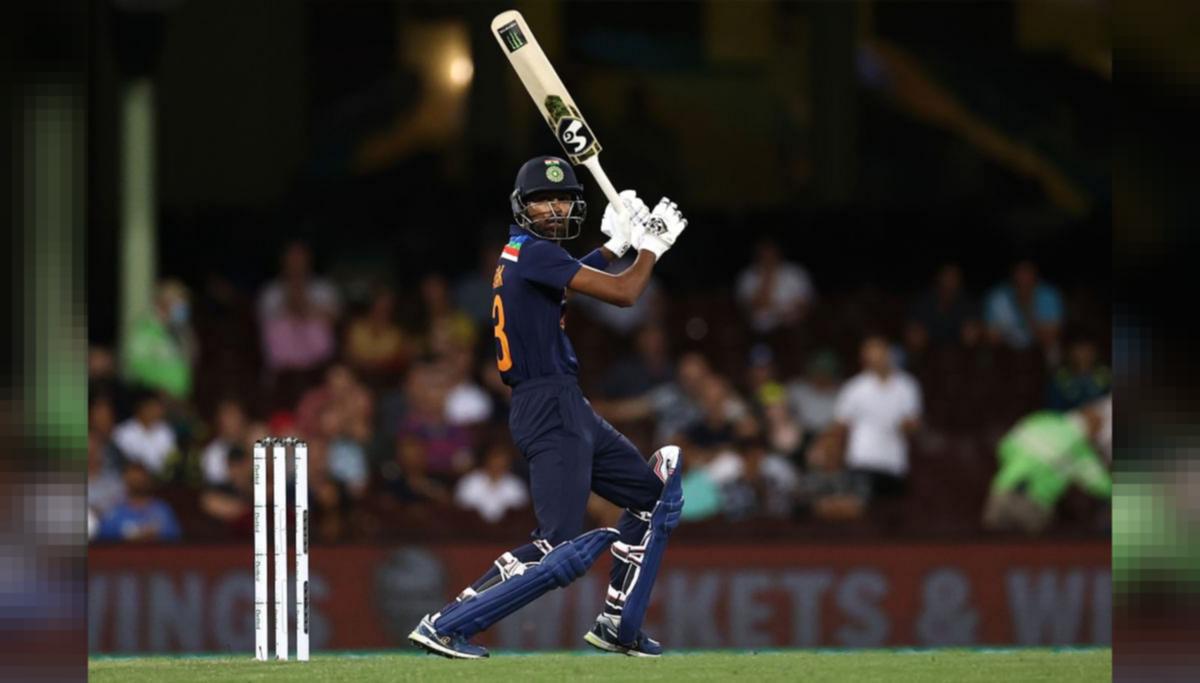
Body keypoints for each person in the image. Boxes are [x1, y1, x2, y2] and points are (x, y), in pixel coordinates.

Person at [408, 155, 689, 659]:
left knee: (654, 500)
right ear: (522, 207)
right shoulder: (533, 252)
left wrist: (616, 246)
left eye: (563, 199)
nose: (555, 208)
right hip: (548, 406)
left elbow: (569, 283)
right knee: (556, 548)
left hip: (566, 403)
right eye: (543, 201)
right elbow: (625, 293)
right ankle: (446, 624)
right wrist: (652, 246)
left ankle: (619, 625)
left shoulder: (527, 254)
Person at [809, 335, 922, 517]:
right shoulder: (854, 388)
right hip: (861, 462)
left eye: (879, 354)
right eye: (870, 355)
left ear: (888, 354)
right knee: (854, 500)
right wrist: (822, 447)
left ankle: (825, 507)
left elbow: (913, 425)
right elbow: (839, 426)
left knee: (871, 508)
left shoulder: (907, 386)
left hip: (893, 465)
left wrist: (907, 425)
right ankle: (820, 508)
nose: (875, 359)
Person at [983, 395, 1112, 534]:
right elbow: (1103, 486)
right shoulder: (1080, 451)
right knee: (1030, 547)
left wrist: (1014, 469)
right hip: (1035, 504)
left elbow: (1004, 446)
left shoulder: (1042, 420)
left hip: (1003, 491)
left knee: (990, 543)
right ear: (1093, 431)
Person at [123, 279, 197, 399]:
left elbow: (189, 360)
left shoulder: (180, 330)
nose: (183, 307)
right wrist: (159, 390)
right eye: (179, 303)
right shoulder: (145, 329)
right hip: (155, 398)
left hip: (179, 396)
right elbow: (137, 365)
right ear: (164, 303)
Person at [735, 239, 816, 334]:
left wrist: (781, 314)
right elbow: (751, 305)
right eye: (763, 253)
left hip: (793, 326)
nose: (767, 256)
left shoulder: (795, 272)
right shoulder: (748, 276)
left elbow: (805, 303)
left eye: (771, 252)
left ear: (779, 253)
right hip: (759, 329)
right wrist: (767, 279)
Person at [95, 463, 182, 543]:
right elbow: (103, 536)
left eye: (140, 480)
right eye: (133, 480)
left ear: (148, 481)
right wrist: (129, 536)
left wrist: (155, 535)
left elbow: (175, 534)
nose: (137, 483)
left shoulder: (162, 509)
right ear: (126, 481)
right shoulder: (114, 511)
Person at [453, 444, 529, 523]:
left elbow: (521, 510)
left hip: (508, 528)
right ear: (487, 461)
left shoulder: (516, 485)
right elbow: (461, 507)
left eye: (502, 462)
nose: (498, 465)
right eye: (495, 461)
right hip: (472, 527)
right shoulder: (469, 482)